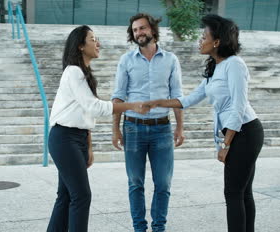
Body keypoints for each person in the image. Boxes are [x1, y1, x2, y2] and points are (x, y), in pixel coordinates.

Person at [147, 14, 264, 232]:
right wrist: (158, 102)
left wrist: (226, 145)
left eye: (204, 36)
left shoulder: (235, 64)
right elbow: (190, 98)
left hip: (245, 132)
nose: (200, 41)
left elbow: (239, 106)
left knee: (233, 193)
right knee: (242, 192)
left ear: (217, 42)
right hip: (238, 132)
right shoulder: (214, 69)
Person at [47, 25, 149, 232]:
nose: (98, 43)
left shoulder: (83, 73)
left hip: (77, 138)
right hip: (64, 138)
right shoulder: (73, 72)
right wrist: (130, 105)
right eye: (93, 39)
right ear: (81, 46)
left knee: (66, 195)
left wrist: (89, 146)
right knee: (81, 196)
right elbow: (94, 107)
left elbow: (86, 114)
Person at [111, 13, 185, 232]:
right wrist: (115, 129)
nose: (138, 33)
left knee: (163, 183)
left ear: (152, 30)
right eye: (134, 30)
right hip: (133, 128)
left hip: (162, 128)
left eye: (142, 28)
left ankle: (159, 228)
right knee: (135, 182)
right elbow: (118, 97)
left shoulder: (171, 59)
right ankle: (139, 229)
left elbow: (177, 95)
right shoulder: (126, 60)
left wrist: (180, 127)